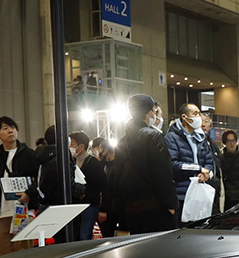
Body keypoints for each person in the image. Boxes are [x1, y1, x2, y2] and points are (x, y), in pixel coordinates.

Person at [101, 94, 178, 234]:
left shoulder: (122, 141)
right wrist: (171, 204)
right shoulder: (153, 136)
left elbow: (116, 176)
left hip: (129, 209)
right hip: (154, 207)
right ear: (149, 112)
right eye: (154, 111)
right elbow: (162, 173)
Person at [0, 116, 39, 256]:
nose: (10, 131)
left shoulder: (30, 155)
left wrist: (29, 194)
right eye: (5, 128)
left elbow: (39, 179)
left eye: (12, 127)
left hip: (23, 211)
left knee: (24, 255)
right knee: (2, 256)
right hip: (1, 214)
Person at [165, 102, 216, 226]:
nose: (199, 117)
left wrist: (206, 174)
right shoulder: (172, 138)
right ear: (184, 117)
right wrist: (198, 169)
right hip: (182, 195)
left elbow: (210, 163)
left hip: (201, 195)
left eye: (199, 114)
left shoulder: (201, 138)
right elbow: (173, 164)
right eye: (195, 114)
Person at [70, 130, 106, 241]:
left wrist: (103, 208)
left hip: (89, 205)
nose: (70, 147)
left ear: (81, 146)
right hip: (75, 206)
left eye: (72, 144)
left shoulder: (93, 163)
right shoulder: (70, 162)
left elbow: (103, 186)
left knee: (84, 235)